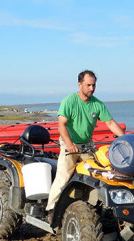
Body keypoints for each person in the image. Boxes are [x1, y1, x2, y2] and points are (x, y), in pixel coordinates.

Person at [46, 70, 125, 215]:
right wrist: (70, 144)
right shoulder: (69, 101)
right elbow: (61, 125)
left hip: (87, 145)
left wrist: (125, 139)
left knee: (97, 173)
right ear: (80, 84)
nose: (91, 88)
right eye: (88, 85)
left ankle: (93, 206)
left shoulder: (97, 104)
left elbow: (111, 122)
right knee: (64, 175)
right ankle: (52, 209)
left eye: (94, 85)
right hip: (69, 144)